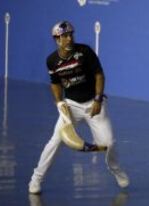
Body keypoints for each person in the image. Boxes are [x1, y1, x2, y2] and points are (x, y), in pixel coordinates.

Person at [28, 21, 129, 194]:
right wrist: (59, 102)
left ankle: (116, 170)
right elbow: (55, 83)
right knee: (55, 141)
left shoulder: (84, 52)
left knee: (108, 143)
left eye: (71, 35)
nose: (69, 38)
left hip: (93, 104)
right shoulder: (52, 61)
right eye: (65, 36)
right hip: (71, 106)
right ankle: (36, 179)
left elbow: (99, 75)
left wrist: (97, 100)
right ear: (57, 39)